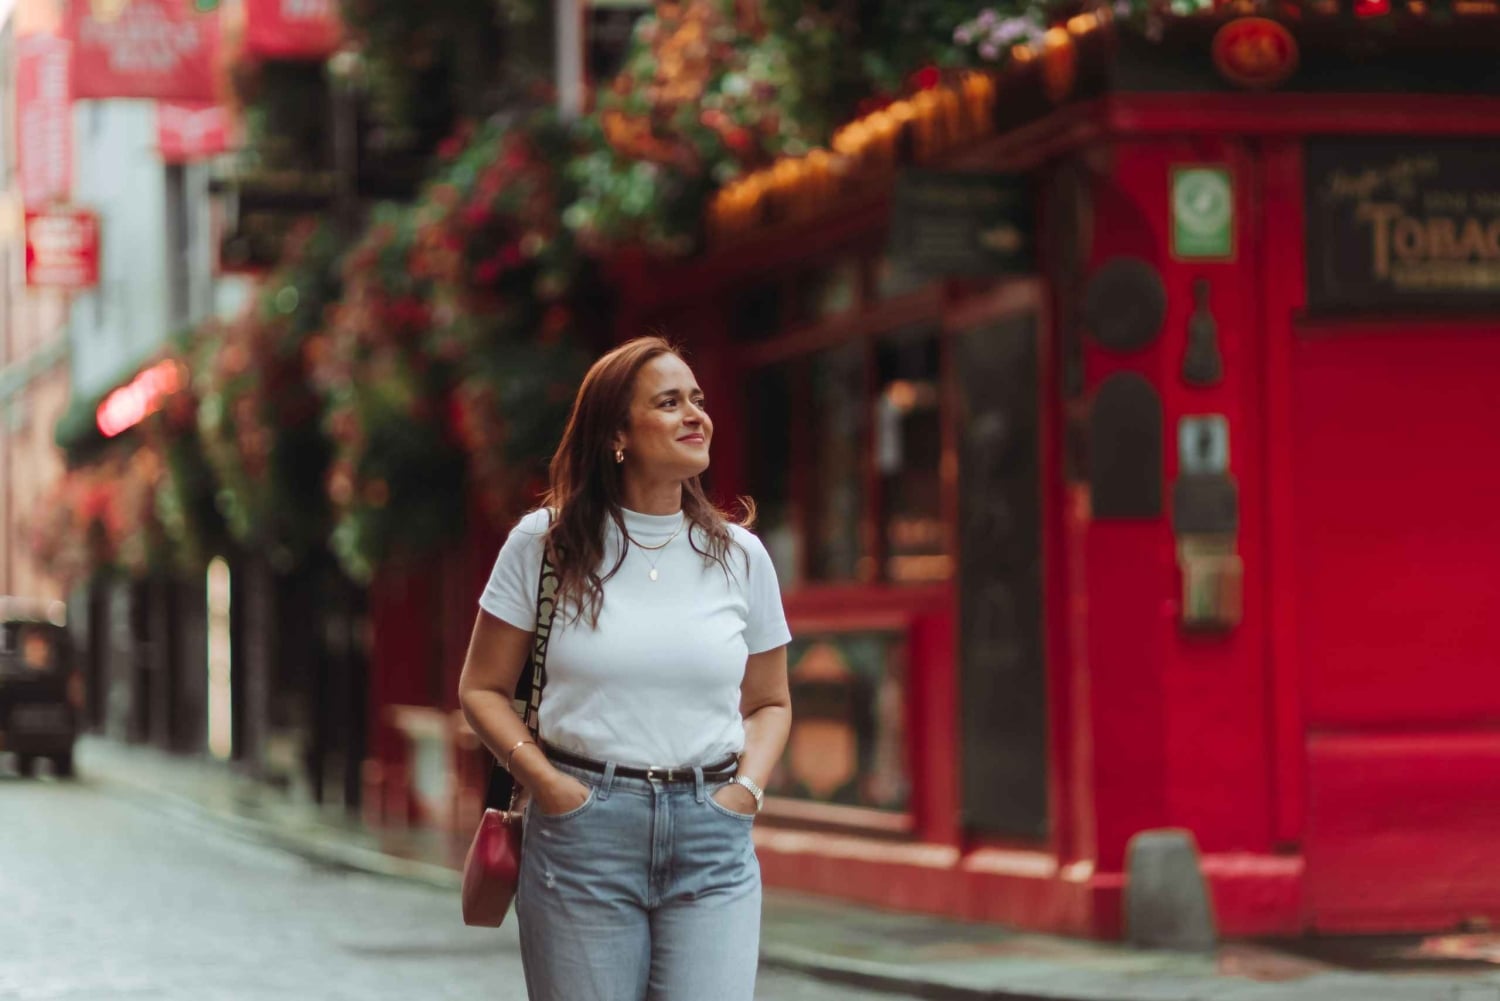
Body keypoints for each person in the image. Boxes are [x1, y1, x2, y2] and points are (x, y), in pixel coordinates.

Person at [458, 336, 792, 1001]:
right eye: (668, 403)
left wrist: (746, 792)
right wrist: (550, 787)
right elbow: (482, 688)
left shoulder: (742, 556)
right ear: (616, 434)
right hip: (583, 834)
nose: (695, 415)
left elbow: (769, 702)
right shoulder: (544, 545)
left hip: (712, 837)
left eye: (697, 399)